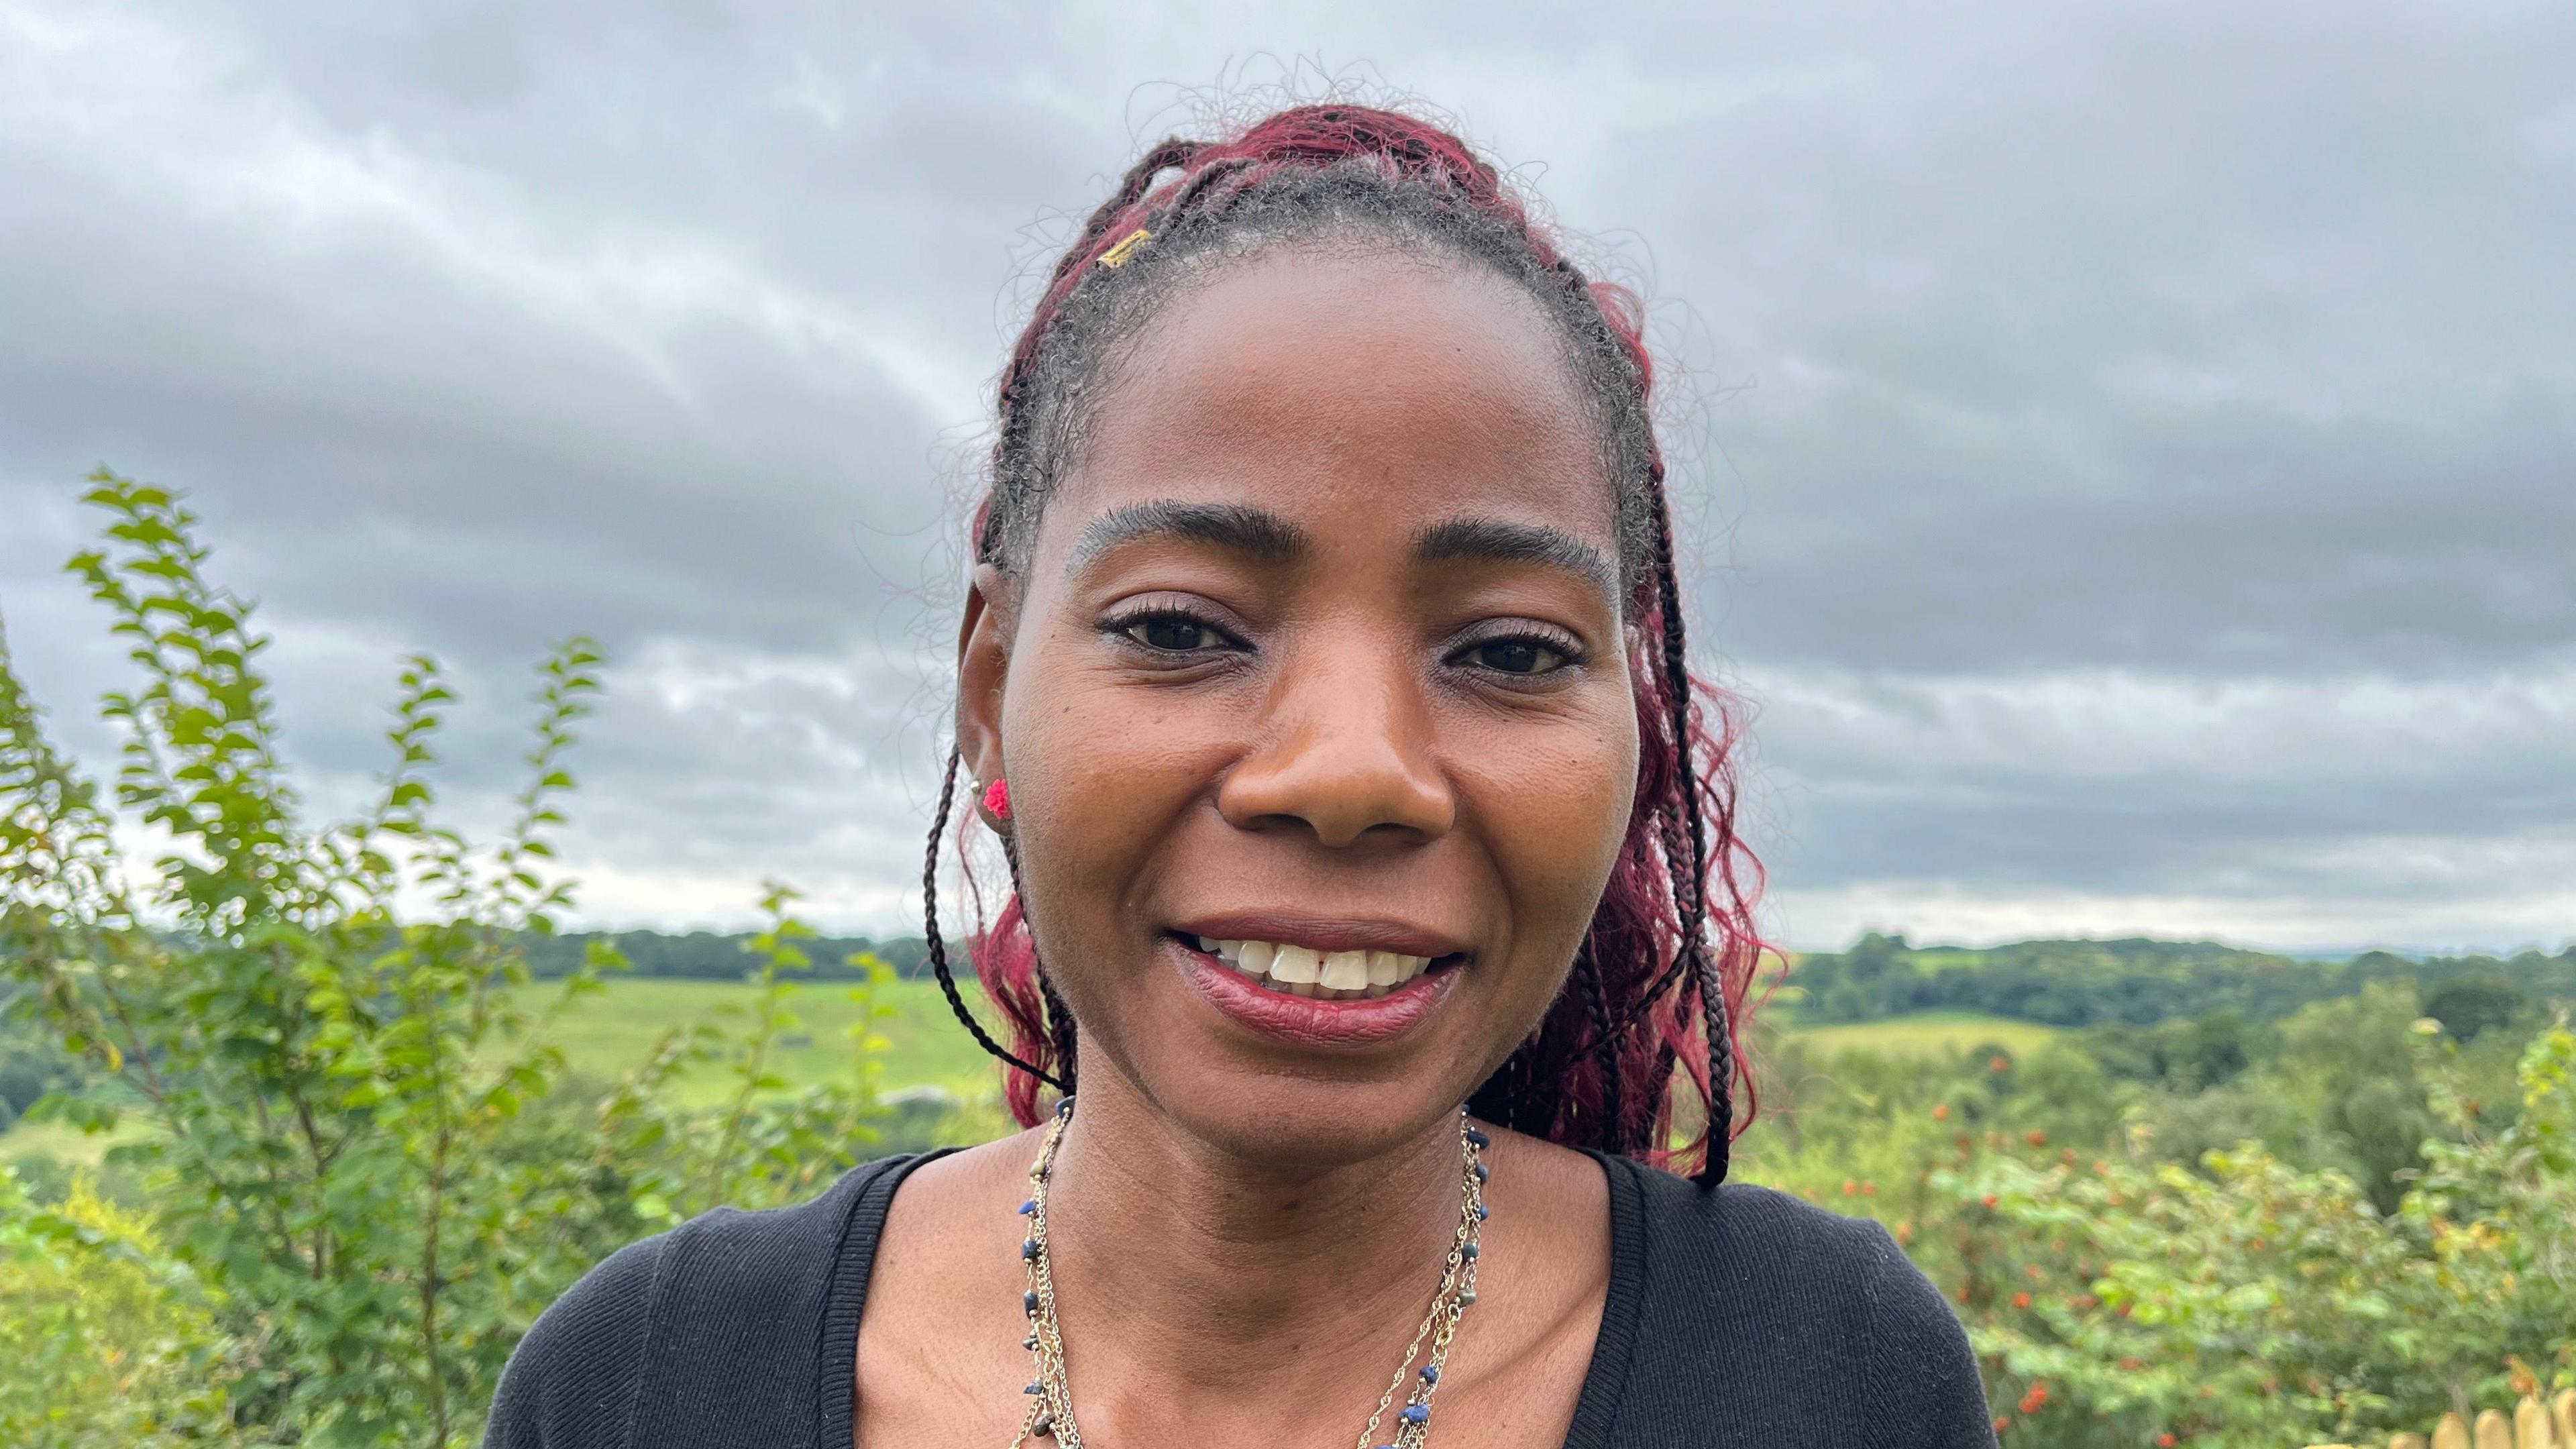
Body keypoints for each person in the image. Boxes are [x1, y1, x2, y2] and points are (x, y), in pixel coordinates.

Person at [486, 103, 1996, 1449]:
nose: (1353, 777)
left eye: (1514, 653)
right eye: (1180, 627)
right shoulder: (644, 1384)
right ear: (992, 688)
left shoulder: (1835, 1379)